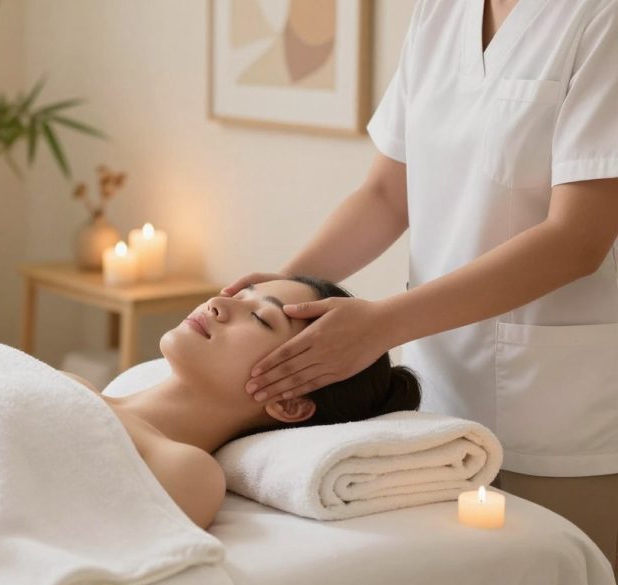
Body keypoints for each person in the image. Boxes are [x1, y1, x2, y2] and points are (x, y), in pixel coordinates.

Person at [221, 0, 618, 570]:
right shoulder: (440, 11)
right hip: (434, 408)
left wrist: (382, 322)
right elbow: (386, 195)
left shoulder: (599, 16)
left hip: (556, 408)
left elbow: (578, 239)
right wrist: (284, 288)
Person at [70, 276, 421, 529]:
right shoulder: (74, 385)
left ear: (290, 403)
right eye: (239, 295)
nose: (218, 304)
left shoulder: (186, 471)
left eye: (259, 317)